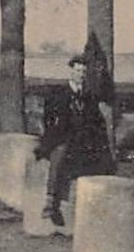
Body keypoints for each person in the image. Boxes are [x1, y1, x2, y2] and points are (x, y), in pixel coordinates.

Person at [35, 55, 116, 227]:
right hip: (62, 137)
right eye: (78, 70)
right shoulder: (59, 94)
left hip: (82, 139)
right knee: (60, 154)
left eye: (83, 72)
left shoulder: (89, 97)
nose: (80, 74)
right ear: (71, 71)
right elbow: (48, 118)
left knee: (101, 158)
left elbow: (96, 122)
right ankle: (51, 202)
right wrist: (52, 134)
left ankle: (101, 207)